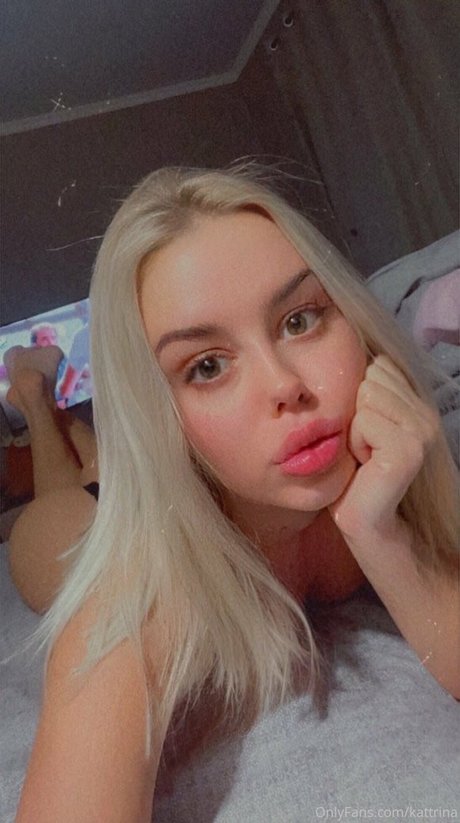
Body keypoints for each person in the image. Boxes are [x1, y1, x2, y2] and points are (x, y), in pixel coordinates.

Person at [11, 164, 459, 823]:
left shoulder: (383, 461)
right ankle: (33, 395)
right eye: (207, 366)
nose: (285, 384)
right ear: (160, 412)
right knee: (64, 491)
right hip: (87, 520)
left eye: (299, 319)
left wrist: (379, 533)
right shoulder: (141, 602)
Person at [4, 343, 99, 613]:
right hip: (78, 547)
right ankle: (35, 398)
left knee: (106, 472)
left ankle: (34, 398)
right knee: (108, 474)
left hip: (69, 561)